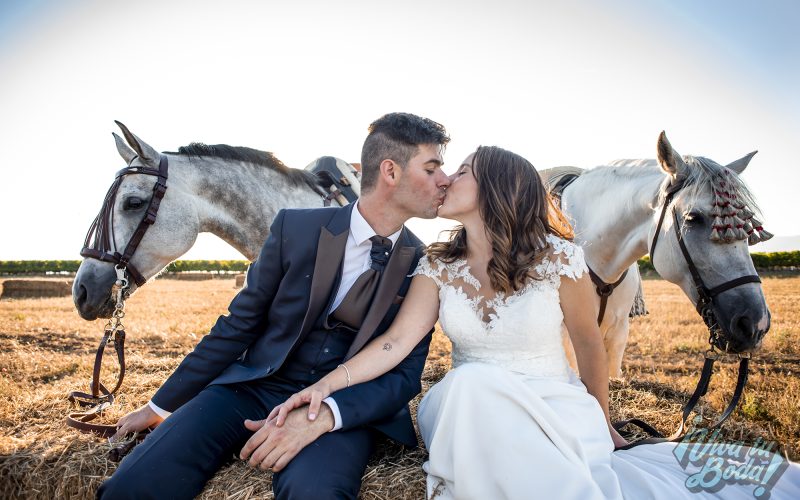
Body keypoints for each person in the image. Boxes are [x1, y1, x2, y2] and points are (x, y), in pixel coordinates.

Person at [270, 146, 800, 499]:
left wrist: (603, 421)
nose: (447, 178)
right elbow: (394, 344)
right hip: (464, 408)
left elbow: (590, 347)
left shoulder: (561, 260)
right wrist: (324, 386)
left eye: (463, 171)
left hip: (556, 407)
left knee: (478, 391)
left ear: (499, 189)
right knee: (470, 384)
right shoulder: (438, 265)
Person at [97, 112, 452, 499]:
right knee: (131, 487)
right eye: (432, 168)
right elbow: (237, 325)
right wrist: (160, 406)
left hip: (339, 408)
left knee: (314, 495)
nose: (444, 180)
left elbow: (403, 377)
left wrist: (329, 414)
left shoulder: (425, 265)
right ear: (390, 171)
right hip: (252, 388)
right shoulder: (294, 229)